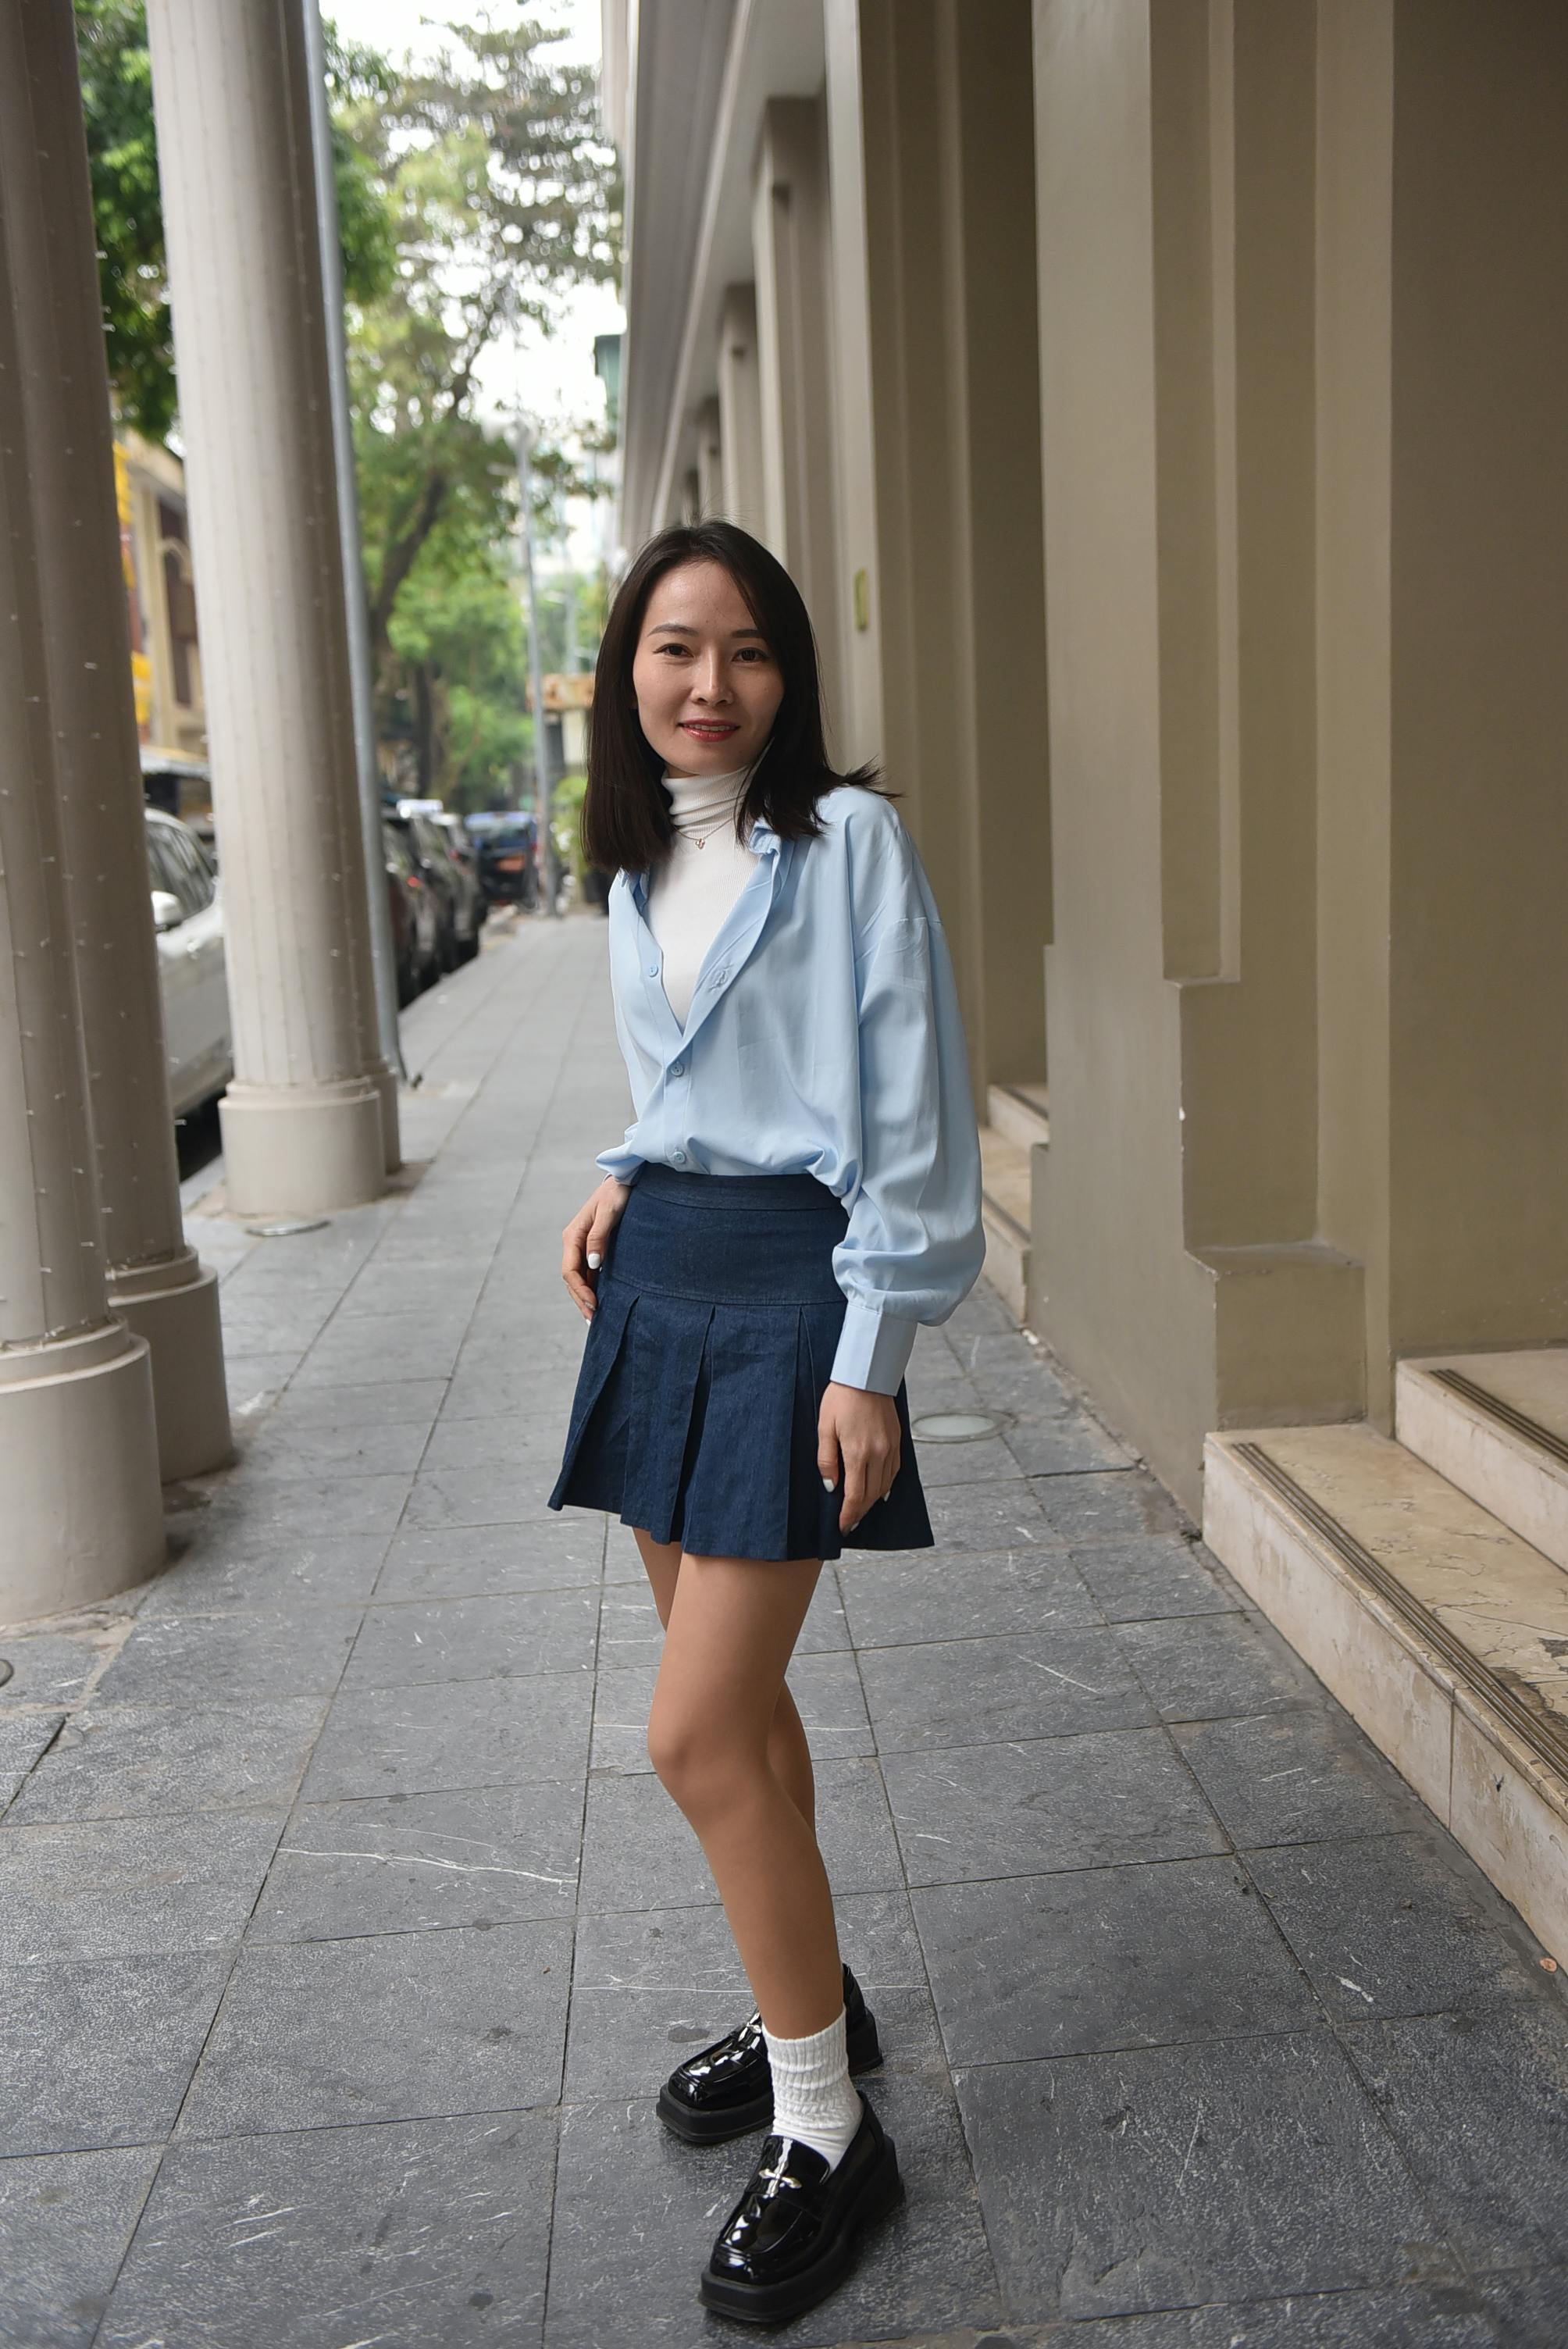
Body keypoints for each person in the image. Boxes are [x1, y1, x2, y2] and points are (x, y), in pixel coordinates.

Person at [548, 519, 985, 2327]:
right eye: (670, 647)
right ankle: (817, 1992)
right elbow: (693, 1073)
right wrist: (615, 1163)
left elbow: (906, 1101)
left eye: (740, 650)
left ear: (788, 671)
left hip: (801, 1296)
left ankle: (827, 2124)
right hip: (661, 1284)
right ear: (622, 673)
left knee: (691, 1728)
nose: (705, 685)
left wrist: (870, 1349)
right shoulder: (637, 857)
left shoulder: (849, 842)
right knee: (746, 1710)